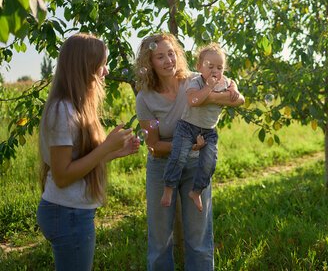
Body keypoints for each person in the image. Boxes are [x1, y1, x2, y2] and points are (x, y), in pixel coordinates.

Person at [135, 33, 241, 271]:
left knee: (199, 238)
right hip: (162, 168)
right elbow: (153, 145)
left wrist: (224, 92)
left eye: (171, 53)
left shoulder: (194, 81)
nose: (168, 60)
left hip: (194, 163)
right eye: (159, 56)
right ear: (149, 63)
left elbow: (232, 96)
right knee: (160, 239)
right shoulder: (145, 99)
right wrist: (184, 145)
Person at [36, 33, 140, 271]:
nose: (106, 71)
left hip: (70, 211)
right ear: (85, 67)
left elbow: (78, 162)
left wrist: (112, 152)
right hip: (67, 213)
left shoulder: (76, 107)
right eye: (102, 64)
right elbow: (62, 176)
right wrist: (105, 147)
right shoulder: (63, 110)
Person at [160, 43, 244, 212]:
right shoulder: (196, 81)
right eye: (210, 66)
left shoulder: (224, 82)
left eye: (219, 67)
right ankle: (169, 188)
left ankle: (196, 191)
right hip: (187, 127)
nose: (215, 71)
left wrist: (233, 88)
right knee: (179, 156)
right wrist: (211, 90)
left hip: (209, 131)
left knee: (209, 162)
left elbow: (239, 99)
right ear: (199, 67)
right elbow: (193, 101)